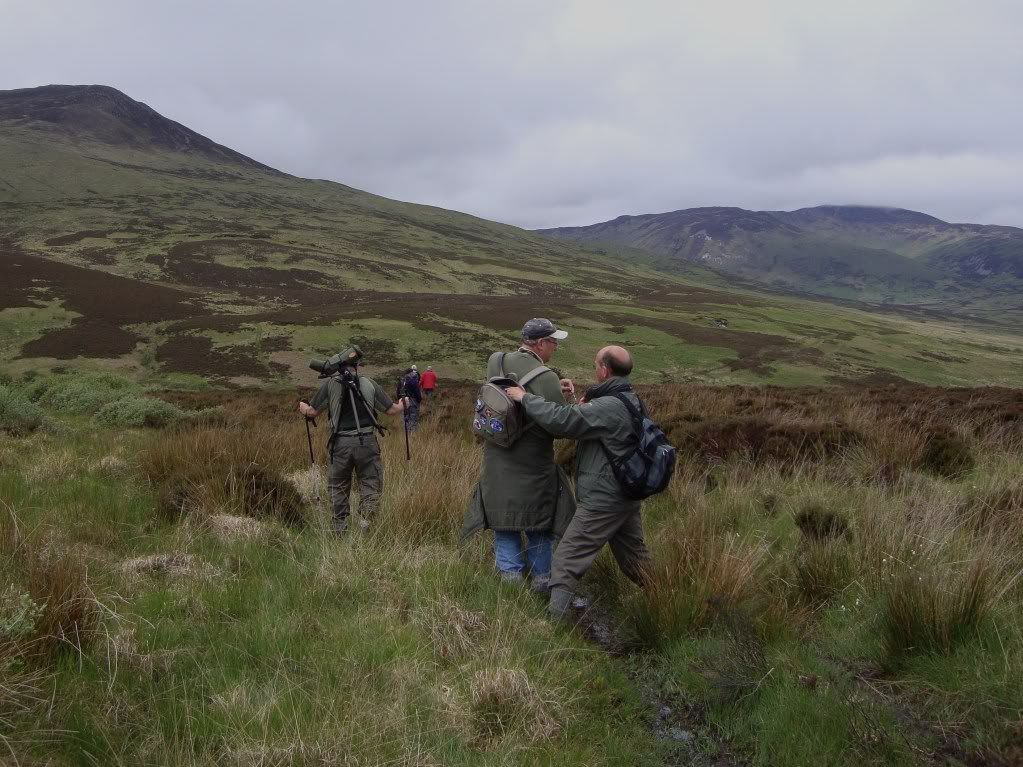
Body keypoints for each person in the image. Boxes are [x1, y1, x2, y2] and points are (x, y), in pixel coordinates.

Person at [506, 345, 651, 618]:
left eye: (596, 363)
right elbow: (587, 425)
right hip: (624, 497)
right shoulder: (629, 398)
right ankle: (668, 597)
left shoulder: (608, 405)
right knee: (635, 561)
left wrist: (524, 398)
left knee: (566, 560)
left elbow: (563, 422)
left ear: (604, 370)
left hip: (604, 499)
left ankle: (552, 624)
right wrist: (574, 401)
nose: (595, 367)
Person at [463, 318, 577, 592]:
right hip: (532, 464)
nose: (555, 347)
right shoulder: (546, 375)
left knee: (504, 521)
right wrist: (568, 399)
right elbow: (560, 425)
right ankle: (541, 583)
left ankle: (510, 585)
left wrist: (550, 391)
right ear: (539, 343)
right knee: (537, 523)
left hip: (496, 459)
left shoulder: (496, 361)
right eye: (553, 342)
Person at [298, 360, 409, 535]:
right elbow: (392, 410)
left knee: (338, 484)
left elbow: (312, 412)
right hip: (367, 443)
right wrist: (404, 403)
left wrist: (302, 406)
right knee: (371, 482)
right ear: (356, 366)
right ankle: (366, 524)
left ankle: (339, 528)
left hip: (340, 444)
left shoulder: (330, 384)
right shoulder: (369, 383)